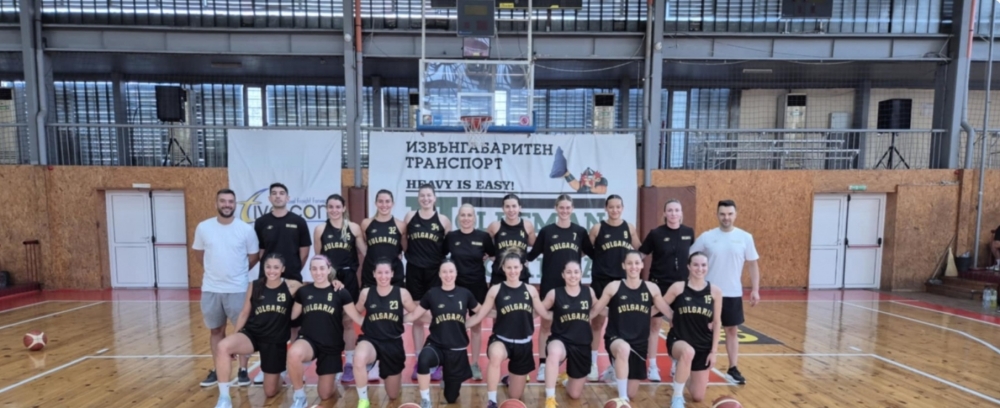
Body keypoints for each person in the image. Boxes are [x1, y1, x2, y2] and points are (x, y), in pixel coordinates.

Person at [212, 254, 301, 408]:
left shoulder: (292, 286)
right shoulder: (255, 285)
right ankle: (224, 399)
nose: (271, 271)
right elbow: (244, 313)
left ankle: (280, 372)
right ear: (263, 268)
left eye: (276, 267)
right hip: (252, 334)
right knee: (223, 346)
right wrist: (236, 337)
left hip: (275, 340)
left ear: (283, 269)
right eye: (268, 267)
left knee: (270, 391)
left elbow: (316, 287)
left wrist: (334, 281)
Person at [193, 188, 260, 388]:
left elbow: (254, 257)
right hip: (211, 289)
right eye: (223, 201)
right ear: (217, 203)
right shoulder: (204, 227)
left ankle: (243, 370)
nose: (227, 205)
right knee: (216, 330)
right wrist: (215, 272)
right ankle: (218, 368)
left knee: (243, 331)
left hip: (238, 289)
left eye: (230, 201)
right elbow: (199, 255)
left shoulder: (245, 230)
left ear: (235, 204)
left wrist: (237, 273)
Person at [689, 199, 760, 385]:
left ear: (735, 215)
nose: (726, 217)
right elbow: (691, 258)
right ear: (717, 215)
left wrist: (755, 289)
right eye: (722, 214)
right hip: (708, 293)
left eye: (729, 214)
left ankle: (733, 368)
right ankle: (697, 367)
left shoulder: (745, 237)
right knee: (703, 330)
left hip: (732, 293)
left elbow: (753, 264)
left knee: (731, 330)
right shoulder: (707, 237)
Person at [467, 252, 550, 408]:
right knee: (496, 355)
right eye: (509, 267)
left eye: (516, 267)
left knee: (515, 397)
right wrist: (460, 325)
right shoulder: (495, 290)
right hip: (501, 340)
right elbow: (480, 315)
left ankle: (508, 379)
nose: (513, 271)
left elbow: (543, 313)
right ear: (503, 268)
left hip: (524, 344)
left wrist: (567, 314)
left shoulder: (531, 290)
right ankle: (492, 401)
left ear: (521, 268)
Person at [590, 251, 673, 403]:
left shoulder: (652, 288)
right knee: (623, 349)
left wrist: (681, 320)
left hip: (639, 343)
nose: (633, 266)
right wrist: (578, 320)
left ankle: (617, 374)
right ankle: (623, 399)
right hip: (616, 338)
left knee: (632, 393)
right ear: (624, 266)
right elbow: (597, 310)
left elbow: (665, 310)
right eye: (629, 263)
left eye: (636, 263)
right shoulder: (614, 287)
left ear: (641, 265)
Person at [526, 194, 593, 381]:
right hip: (551, 284)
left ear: (572, 209)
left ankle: (573, 365)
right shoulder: (547, 231)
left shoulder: (580, 232)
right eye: (561, 207)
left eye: (567, 208)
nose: (564, 211)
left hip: (573, 286)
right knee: (546, 325)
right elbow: (531, 255)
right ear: (556, 208)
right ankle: (543, 364)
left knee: (575, 324)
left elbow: (593, 253)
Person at [286, 255, 365, 408]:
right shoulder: (304, 292)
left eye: (322, 268)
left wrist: (380, 324)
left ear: (329, 270)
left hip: (331, 345)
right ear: (310, 271)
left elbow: (357, 317)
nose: (318, 272)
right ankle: (299, 396)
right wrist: (288, 291)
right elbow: (291, 316)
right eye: (314, 269)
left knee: (325, 394)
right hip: (308, 340)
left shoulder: (340, 292)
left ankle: (332, 379)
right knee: (294, 353)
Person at [404, 260, 482, 408]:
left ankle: (447, 378)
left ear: (456, 273)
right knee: (424, 359)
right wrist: (394, 320)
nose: (448, 275)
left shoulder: (465, 293)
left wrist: (466, 324)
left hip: (456, 349)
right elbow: (414, 315)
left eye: (451, 271)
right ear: (439, 274)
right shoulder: (432, 294)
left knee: (451, 398)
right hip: (436, 345)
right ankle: (425, 400)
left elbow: (481, 312)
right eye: (444, 272)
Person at [313, 194, 368, 383]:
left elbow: (366, 252)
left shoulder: (353, 228)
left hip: (349, 277)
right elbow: (319, 258)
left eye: (338, 206)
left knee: (347, 321)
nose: (334, 210)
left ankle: (350, 363)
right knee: (330, 321)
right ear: (326, 208)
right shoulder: (320, 230)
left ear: (344, 208)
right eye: (331, 207)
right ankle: (333, 360)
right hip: (330, 278)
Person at [638, 199, 694, 381]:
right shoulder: (656, 234)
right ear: (664, 213)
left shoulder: (688, 232)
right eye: (670, 210)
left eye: (677, 210)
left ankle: (675, 363)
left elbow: (694, 258)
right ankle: (653, 366)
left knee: (677, 326)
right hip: (658, 286)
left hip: (681, 287)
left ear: (681, 213)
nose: (673, 213)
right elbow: (640, 255)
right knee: (654, 325)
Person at [352, 258, 419, 408]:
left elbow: (415, 313)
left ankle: (378, 369)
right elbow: (356, 311)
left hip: (393, 343)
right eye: (380, 272)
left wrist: (402, 319)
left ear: (392, 274)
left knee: (393, 394)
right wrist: (364, 322)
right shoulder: (366, 293)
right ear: (374, 274)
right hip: (371, 340)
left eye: (386, 272)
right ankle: (363, 400)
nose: (383, 276)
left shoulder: (402, 293)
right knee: (359, 357)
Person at [588, 194, 640, 382]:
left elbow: (639, 250)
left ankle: (613, 365)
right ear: (606, 208)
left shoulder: (629, 228)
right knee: (597, 322)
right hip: (601, 281)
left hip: (621, 282)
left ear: (623, 208)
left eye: (618, 207)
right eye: (611, 207)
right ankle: (592, 364)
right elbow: (587, 250)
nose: (615, 210)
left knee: (619, 325)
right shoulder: (597, 228)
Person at [442, 204, 496, 380]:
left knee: (476, 325)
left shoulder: (483, 237)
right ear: (458, 217)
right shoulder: (451, 237)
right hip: (455, 287)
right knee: (452, 324)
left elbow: (494, 255)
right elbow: (441, 256)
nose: (466, 218)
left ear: (474, 218)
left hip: (477, 286)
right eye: (463, 215)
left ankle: (474, 364)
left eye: (469, 215)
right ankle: (452, 362)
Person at [663, 252, 722, 408]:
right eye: (695, 265)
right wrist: (671, 315)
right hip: (679, 339)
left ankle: (681, 371)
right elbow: (659, 304)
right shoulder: (678, 287)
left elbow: (717, 322)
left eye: (703, 265)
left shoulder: (715, 291)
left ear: (707, 267)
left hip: (703, 343)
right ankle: (677, 397)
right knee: (687, 352)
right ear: (688, 266)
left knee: (697, 396)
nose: (699, 268)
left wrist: (714, 351)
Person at [403, 184, 451, 372]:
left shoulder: (443, 220)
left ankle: (437, 357)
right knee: (417, 317)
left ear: (434, 198)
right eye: (422, 195)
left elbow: (447, 247)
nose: (425, 199)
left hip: (434, 272)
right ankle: (419, 358)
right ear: (418, 198)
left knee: (436, 315)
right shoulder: (410, 217)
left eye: (429, 195)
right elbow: (404, 241)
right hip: (414, 271)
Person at [540, 260, 596, 408]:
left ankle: (566, 379)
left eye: (576, 272)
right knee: (554, 353)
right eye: (569, 272)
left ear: (581, 274)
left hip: (582, 344)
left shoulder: (589, 292)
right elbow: (540, 310)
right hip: (561, 339)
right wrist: (552, 315)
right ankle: (550, 398)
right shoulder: (554, 293)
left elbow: (598, 308)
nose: (573, 275)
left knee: (574, 394)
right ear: (563, 275)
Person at [254, 182, 311, 282]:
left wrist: (294, 268)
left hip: (292, 277)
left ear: (287, 198)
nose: (278, 196)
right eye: (274, 193)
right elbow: (260, 251)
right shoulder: (261, 222)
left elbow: (304, 252)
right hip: (267, 278)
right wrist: (271, 270)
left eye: (281, 193)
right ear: (269, 198)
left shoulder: (299, 222)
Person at [487, 193, 536, 286]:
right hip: (499, 274)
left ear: (519, 208)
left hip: (520, 275)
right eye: (507, 206)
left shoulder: (527, 225)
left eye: (514, 206)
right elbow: (483, 244)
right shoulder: (495, 226)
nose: (511, 210)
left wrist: (527, 258)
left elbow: (535, 245)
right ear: (503, 208)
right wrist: (491, 255)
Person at [361, 190, 407, 287]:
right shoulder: (366, 223)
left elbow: (404, 247)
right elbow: (365, 246)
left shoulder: (400, 225)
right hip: (371, 273)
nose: (384, 205)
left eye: (387, 201)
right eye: (380, 201)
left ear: (393, 204)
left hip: (394, 273)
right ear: (375, 203)